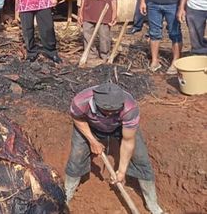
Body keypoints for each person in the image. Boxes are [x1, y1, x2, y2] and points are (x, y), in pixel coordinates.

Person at [64, 83, 164, 214]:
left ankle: (152, 204)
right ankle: (66, 194)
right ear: (96, 103)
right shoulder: (80, 101)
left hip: (119, 127)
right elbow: (77, 118)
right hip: (89, 126)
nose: (111, 113)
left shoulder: (130, 108)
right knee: (76, 156)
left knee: (141, 158)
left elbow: (128, 141)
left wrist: (121, 171)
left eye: (115, 111)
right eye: (106, 111)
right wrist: (92, 141)